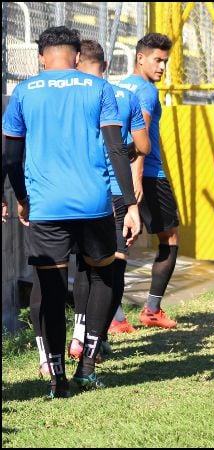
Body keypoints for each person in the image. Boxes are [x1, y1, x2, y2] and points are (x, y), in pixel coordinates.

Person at [2, 26, 141, 397]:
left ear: (40, 57)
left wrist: (21, 197)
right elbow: (117, 148)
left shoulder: (23, 92)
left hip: (46, 206)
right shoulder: (99, 88)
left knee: (50, 290)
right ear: (77, 57)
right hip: (94, 204)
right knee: (101, 276)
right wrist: (130, 204)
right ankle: (88, 366)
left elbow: (11, 157)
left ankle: (57, 379)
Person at [65, 39, 150, 363]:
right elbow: (143, 146)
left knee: (84, 266)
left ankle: (78, 334)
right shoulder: (125, 97)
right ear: (105, 65)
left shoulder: (69, 98)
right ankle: (96, 340)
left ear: (77, 63)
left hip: (80, 190)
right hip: (117, 192)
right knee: (114, 266)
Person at [117, 32, 179, 329]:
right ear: (140, 58)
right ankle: (152, 309)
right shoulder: (146, 91)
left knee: (119, 244)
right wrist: (137, 178)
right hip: (149, 175)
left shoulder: (119, 86)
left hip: (116, 174)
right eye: (157, 60)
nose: (162, 67)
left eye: (165, 61)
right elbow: (138, 137)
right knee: (170, 238)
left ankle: (114, 318)